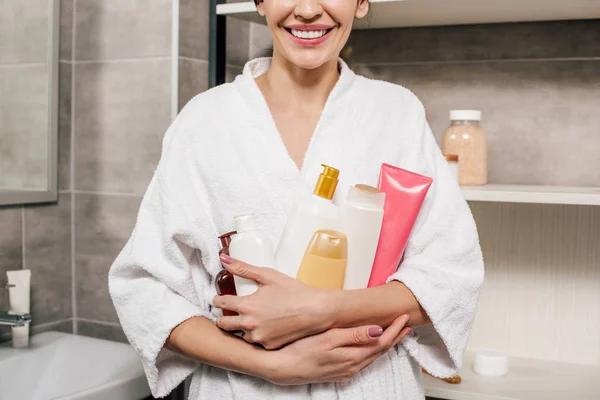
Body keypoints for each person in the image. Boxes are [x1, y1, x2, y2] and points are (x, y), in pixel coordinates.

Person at [108, 0, 484, 398]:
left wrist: (319, 308)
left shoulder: (396, 113)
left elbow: (449, 277)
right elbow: (146, 289)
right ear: (259, 2)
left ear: (361, 3)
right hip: (240, 387)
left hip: (370, 384)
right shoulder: (205, 120)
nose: (306, 9)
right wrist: (270, 365)